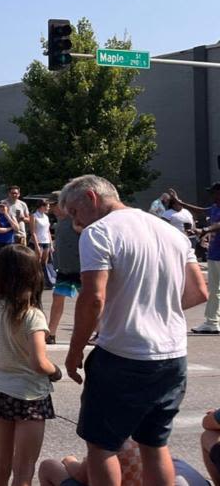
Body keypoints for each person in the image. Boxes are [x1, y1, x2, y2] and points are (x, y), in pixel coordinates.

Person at [60, 174, 208, 486]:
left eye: (74, 211)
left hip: (123, 356)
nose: (75, 221)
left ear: (91, 197)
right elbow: (198, 291)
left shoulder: (99, 233)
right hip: (172, 356)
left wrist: (74, 352)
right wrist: (154, 310)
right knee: (154, 445)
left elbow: (93, 298)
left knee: (102, 446)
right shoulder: (171, 232)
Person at [0, 244, 62, 486]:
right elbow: (38, 362)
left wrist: (6, 361)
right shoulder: (32, 314)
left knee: (1, 461)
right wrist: (55, 372)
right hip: (30, 396)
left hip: (1, 391)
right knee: (24, 468)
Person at [38, 439, 209, 486]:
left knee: (48, 466)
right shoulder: (149, 436)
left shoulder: (109, 439)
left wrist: (69, 460)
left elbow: (81, 475)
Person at [174, 183, 220, 334]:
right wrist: (182, 204)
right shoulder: (214, 207)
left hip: (218, 255)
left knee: (215, 290)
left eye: (213, 192)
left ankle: (212, 322)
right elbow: (201, 211)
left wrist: (205, 229)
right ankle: (213, 321)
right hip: (214, 254)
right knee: (215, 290)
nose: (211, 195)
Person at [47, 195, 81, 344]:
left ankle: (99, 332)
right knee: (57, 297)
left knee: (88, 300)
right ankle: (51, 334)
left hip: (81, 268)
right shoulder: (59, 221)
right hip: (65, 269)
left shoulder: (77, 219)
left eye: (53, 205)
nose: (51, 209)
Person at [31, 199, 53, 264]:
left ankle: (43, 274)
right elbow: (33, 232)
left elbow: (48, 231)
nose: (48, 208)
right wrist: (36, 245)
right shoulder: (34, 216)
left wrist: (51, 244)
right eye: (47, 206)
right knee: (37, 262)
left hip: (46, 242)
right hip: (38, 242)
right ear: (42, 206)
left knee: (44, 262)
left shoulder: (46, 217)